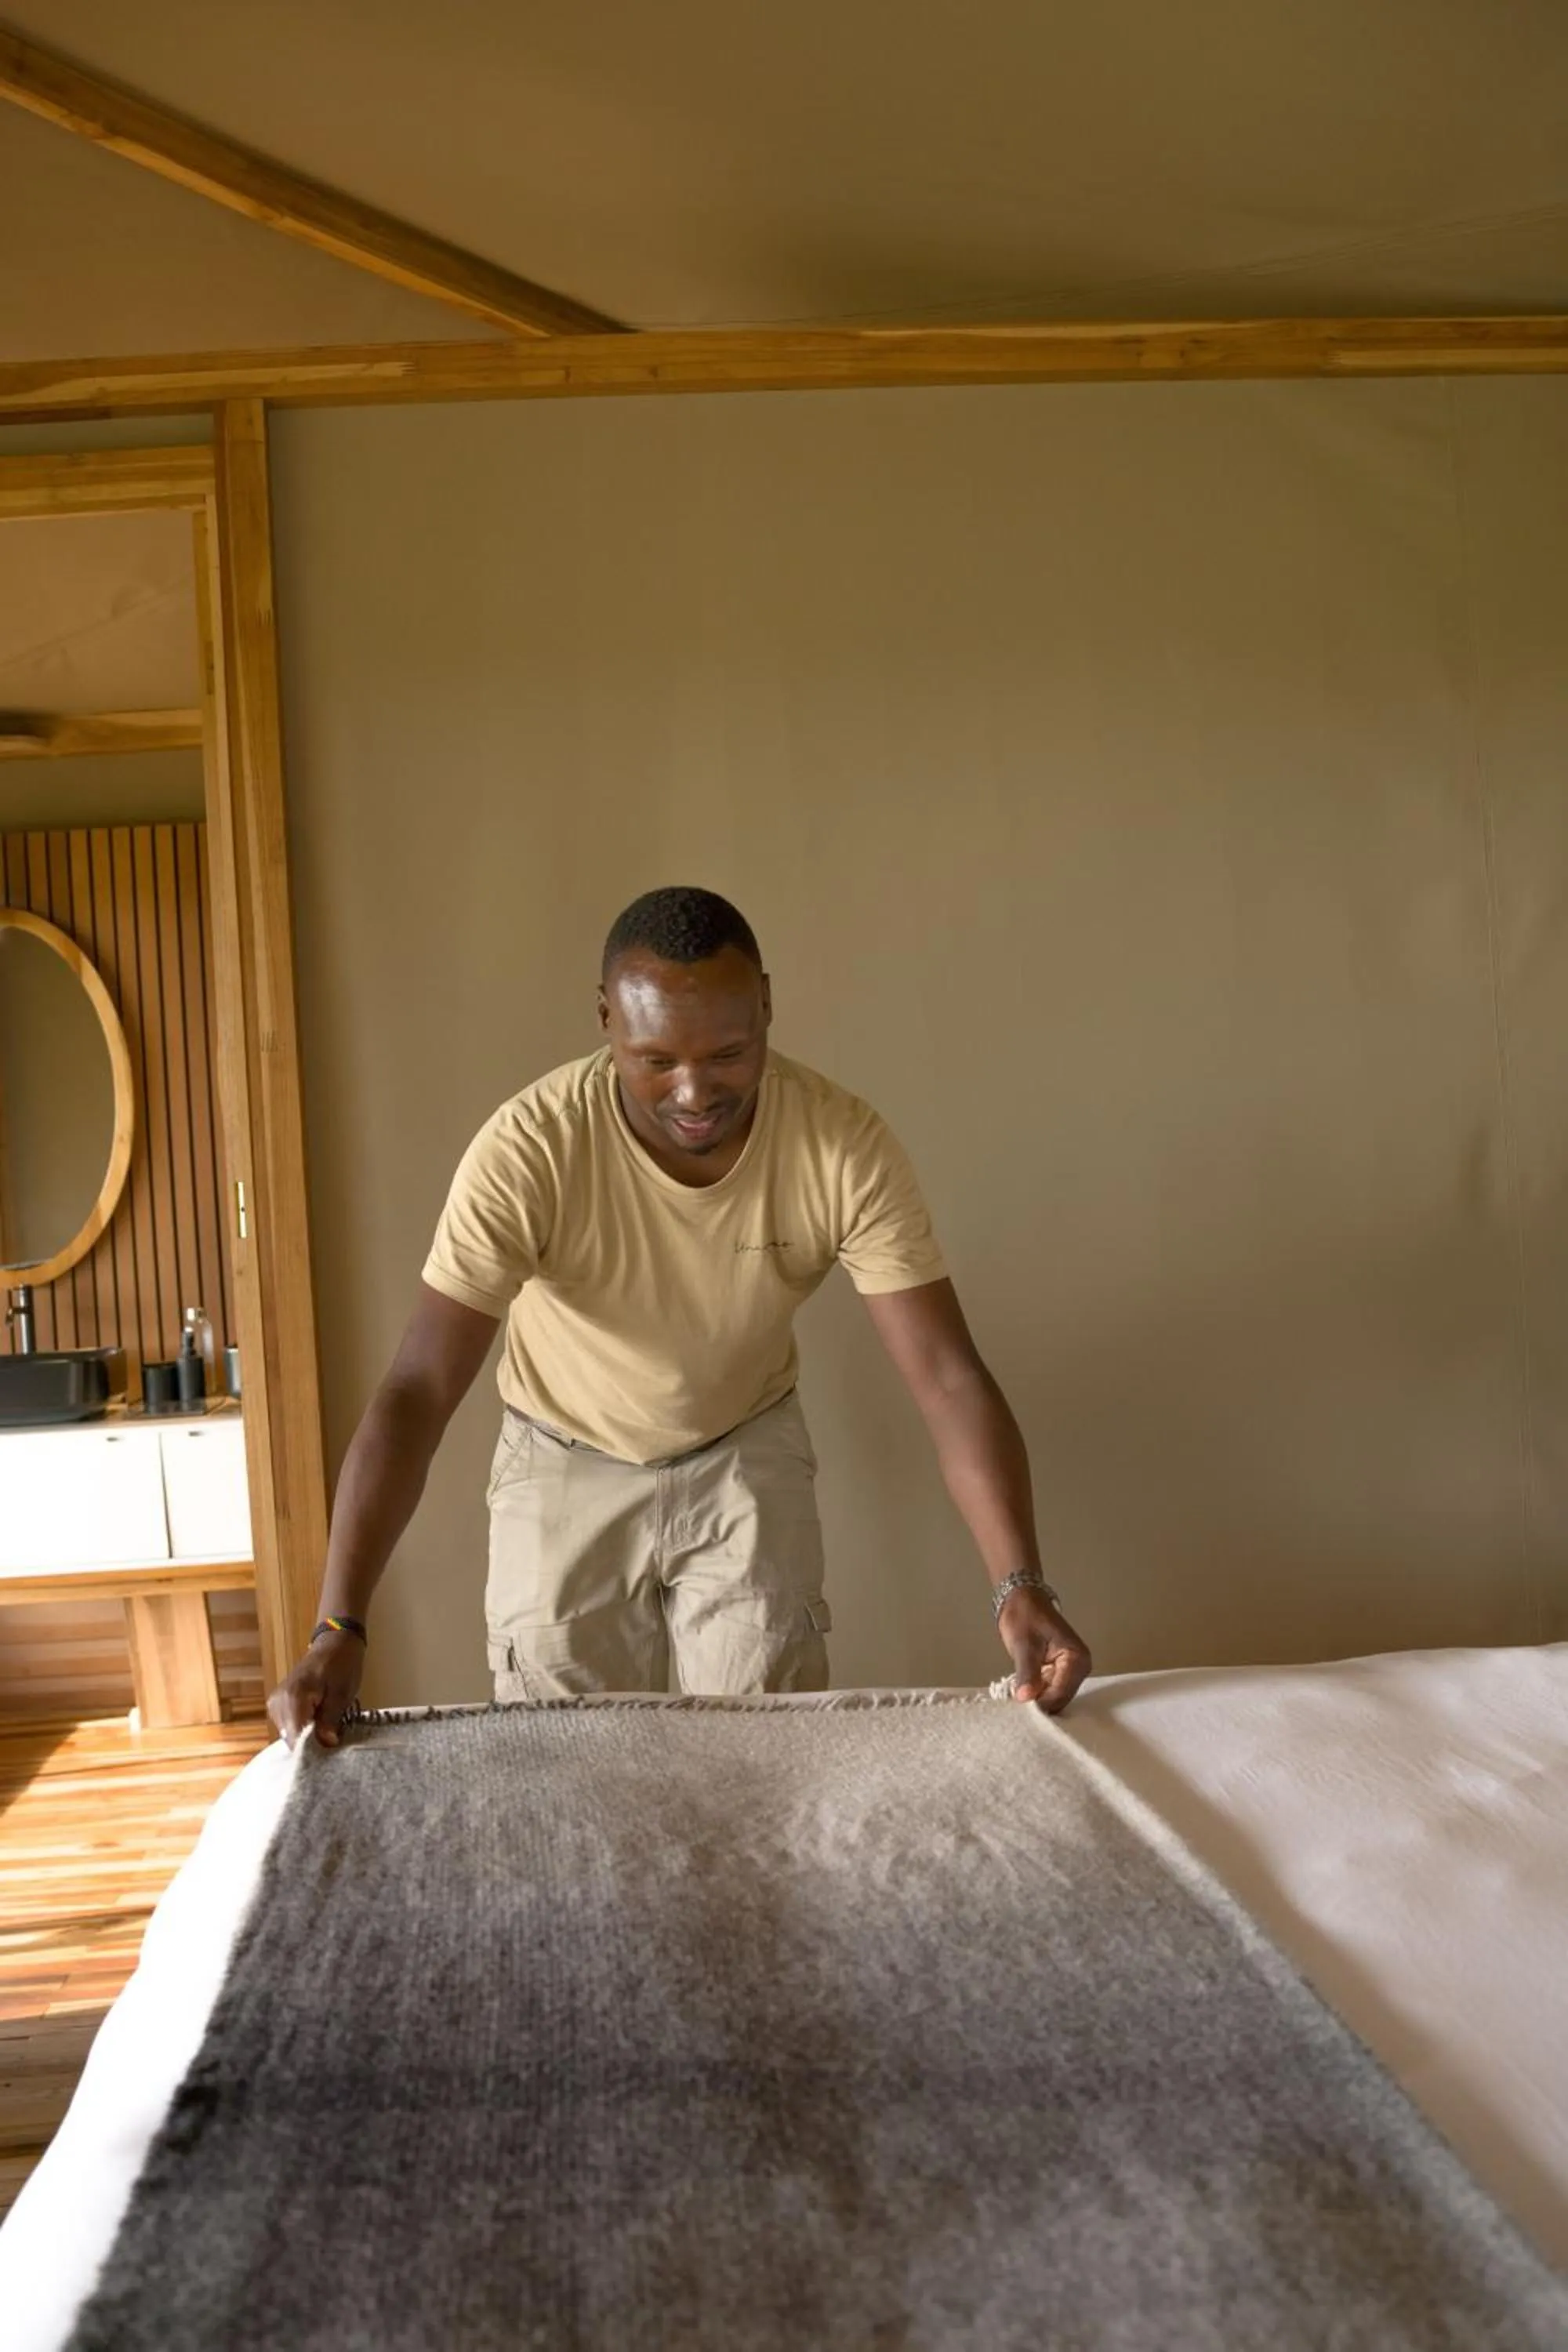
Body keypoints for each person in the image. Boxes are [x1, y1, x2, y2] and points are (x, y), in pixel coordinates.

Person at [268, 887, 1091, 1746]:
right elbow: (417, 1387)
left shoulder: (842, 1146)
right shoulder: (529, 1149)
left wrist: (1019, 1585)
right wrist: (339, 1626)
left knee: (764, 1757)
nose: (694, 1090)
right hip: (562, 1451)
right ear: (604, 1020)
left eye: (729, 1053)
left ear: (767, 1005)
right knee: (567, 1769)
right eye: (654, 1059)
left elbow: (947, 1377)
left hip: (742, 1445)